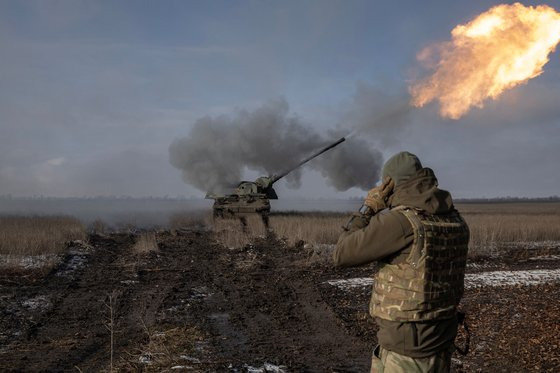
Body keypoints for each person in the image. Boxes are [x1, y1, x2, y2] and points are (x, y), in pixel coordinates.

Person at [333, 151, 469, 373]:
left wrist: (367, 208)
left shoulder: (401, 222)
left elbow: (342, 253)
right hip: (441, 341)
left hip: (406, 349)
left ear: (389, 184)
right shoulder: (455, 219)